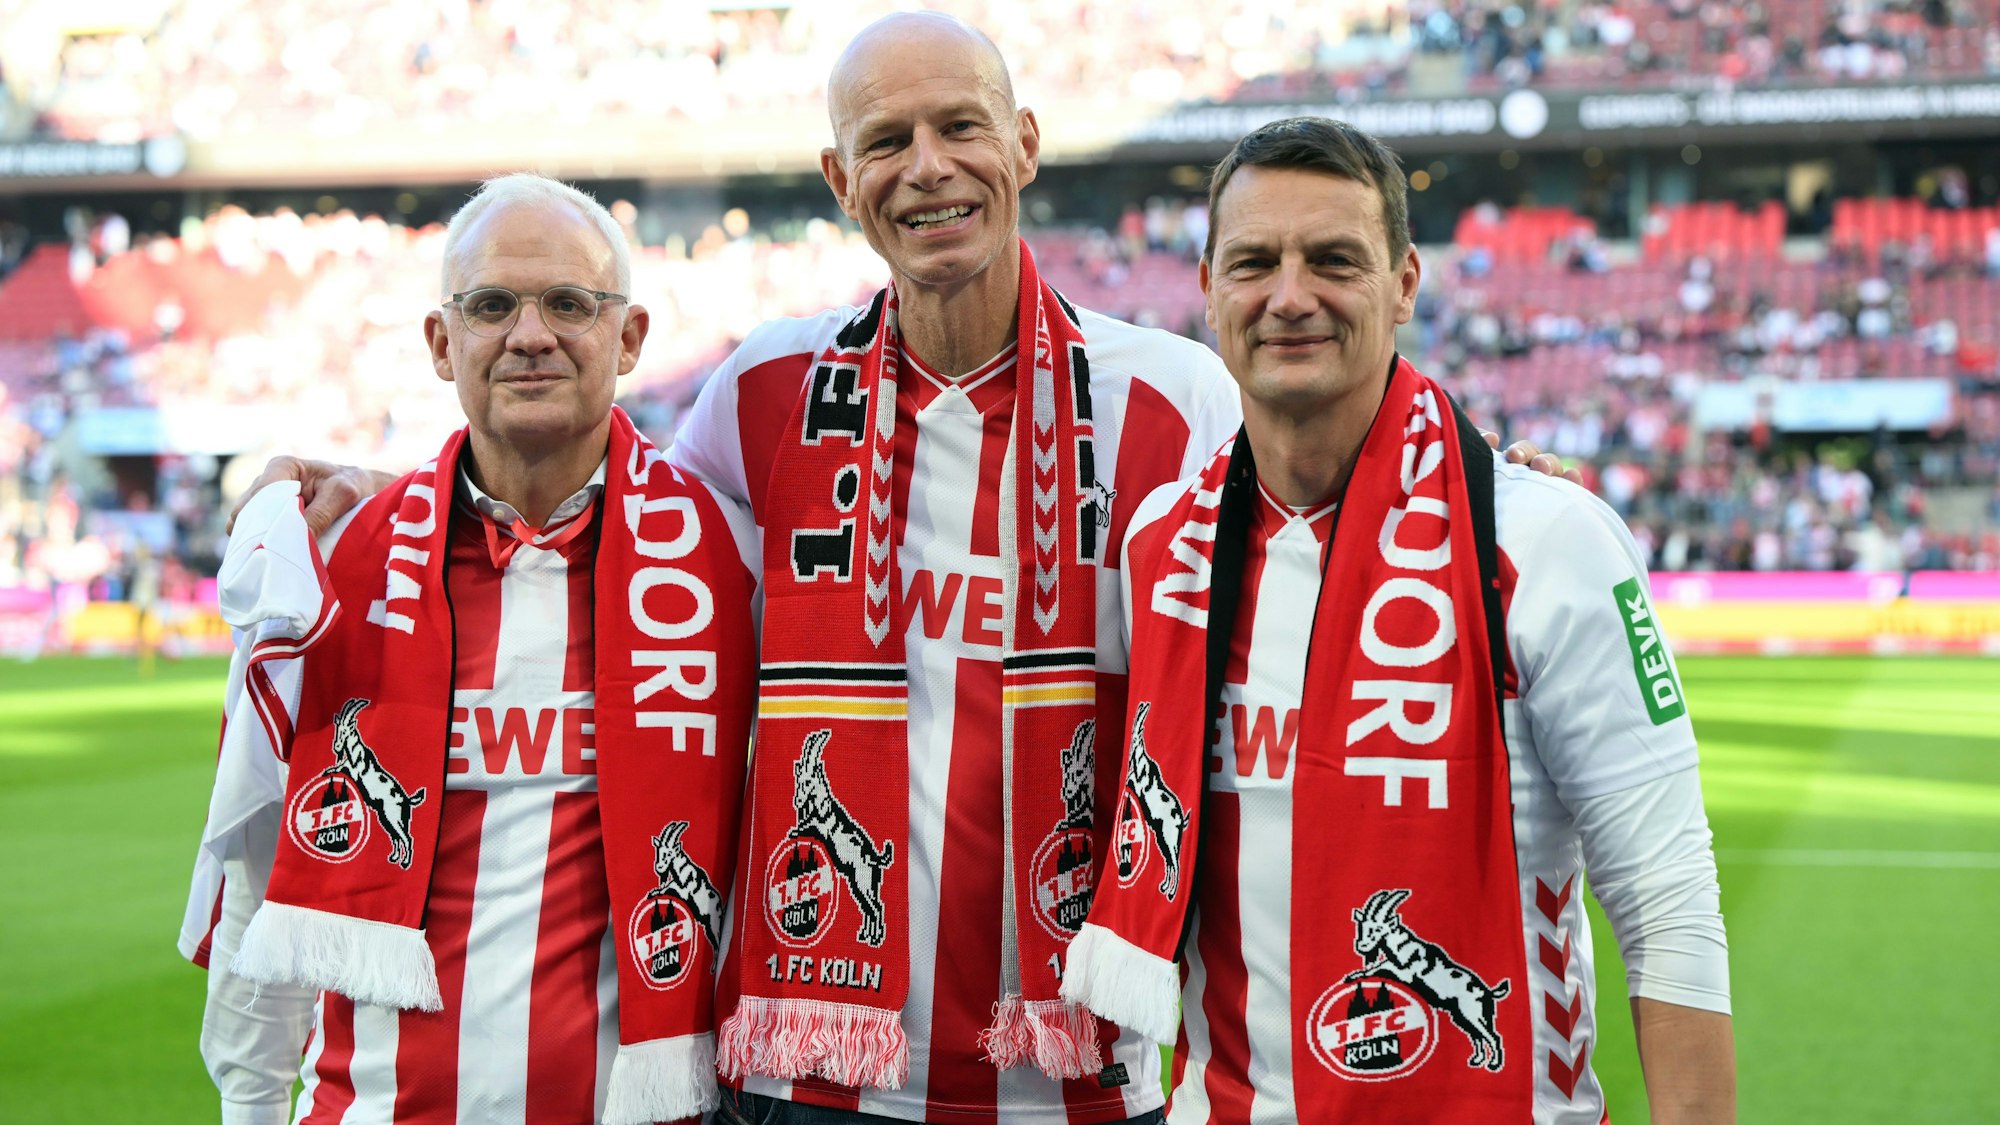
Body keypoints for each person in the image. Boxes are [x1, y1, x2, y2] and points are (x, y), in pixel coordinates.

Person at [229, 18, 1573, 1125]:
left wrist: (1479, 481)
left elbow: (1320, 485)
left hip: (1080, 1072)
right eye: (885, 142)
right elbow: (593, 511)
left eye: (959, 128)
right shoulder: (761, 392)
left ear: (1024, 145)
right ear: (840, 179)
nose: (928, 168)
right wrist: (392, 489)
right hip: (811, 1076)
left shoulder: (1175, 399)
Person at [1062, 117, 1735, 1124]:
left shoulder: (1545, 539)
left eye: (1333, 260)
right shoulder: (1158, 547)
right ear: (1207, 287)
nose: (1290, 296)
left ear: (1404, 282)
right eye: (1254, 262)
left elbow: (1667, 902)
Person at [179, 174, 759, 1124]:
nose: (530, 335)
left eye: (569, 303)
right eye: (491, 305)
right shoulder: (332, 560)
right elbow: (262, 870)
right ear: (442, 344)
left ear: (630, 338)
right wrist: (249, 1106)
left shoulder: (730, 558)